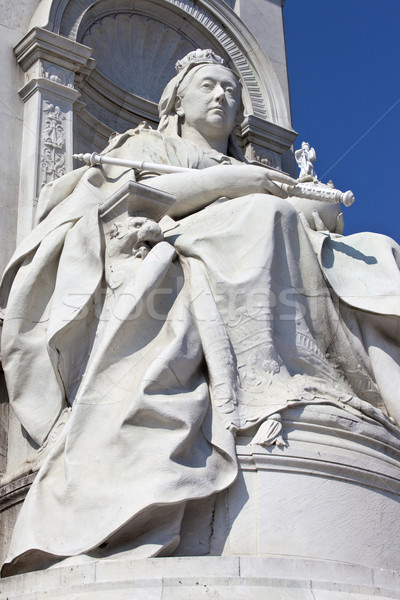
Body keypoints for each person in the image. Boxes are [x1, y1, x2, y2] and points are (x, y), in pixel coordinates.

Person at [1, 49, 400, 575]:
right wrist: (236, 187)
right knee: (265, 218)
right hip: (176, 239)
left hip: (255, 242)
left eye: (231, 91)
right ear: (178, 102)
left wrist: (313, 209)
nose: (221, 97)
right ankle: (265, 396)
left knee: (378, 252)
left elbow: (299, 217)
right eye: (209, 86)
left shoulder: (249, 168)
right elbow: (126, 202)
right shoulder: (147, 145)